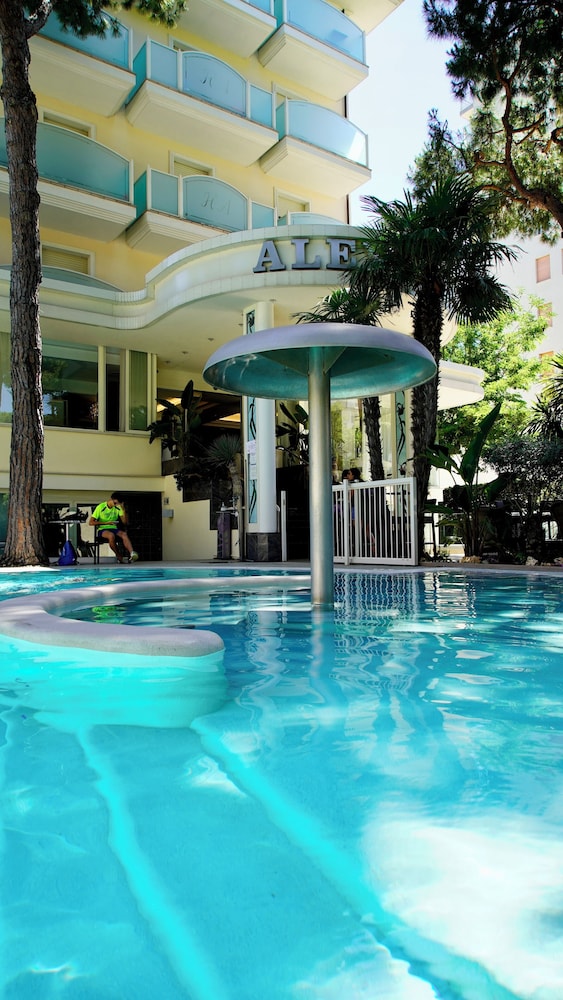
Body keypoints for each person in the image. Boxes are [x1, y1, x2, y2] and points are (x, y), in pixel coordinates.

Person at [89, 492, 138, 563]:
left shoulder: (118, 507)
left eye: (117, 504)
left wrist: (123, 510)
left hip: (114, 528)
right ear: (111, 499)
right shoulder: (101, 507)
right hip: (103, 529)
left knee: (124, 534)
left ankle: (132, 553)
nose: (116, 505)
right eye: (115, 503)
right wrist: (106, 523)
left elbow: (124, 522)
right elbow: (91, 522)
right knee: (111, 535)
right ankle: (118, 555)